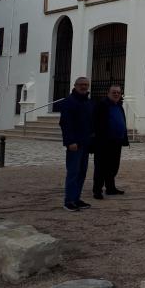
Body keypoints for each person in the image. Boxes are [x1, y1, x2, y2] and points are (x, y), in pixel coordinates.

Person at [59, 77, 94, 211]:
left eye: (86, 84)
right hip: (74, 144)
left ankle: (76, 198)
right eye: (81, 84)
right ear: (75, 85)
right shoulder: (69, 102)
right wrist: (70, 141)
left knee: (82, 172)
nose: (84, 87)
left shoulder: (88, 102)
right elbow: (65, 123)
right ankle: (69, 201)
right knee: (73, 172)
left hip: (85, 143)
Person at [92, 84, 129, 199]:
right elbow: (96, 123)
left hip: (117, 141)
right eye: (114, 92)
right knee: (101, 166)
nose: (116, 94)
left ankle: (110, 188)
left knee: (113, 166)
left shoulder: (119, 106)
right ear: (108, 93)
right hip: (104, 141)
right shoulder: (102, 105)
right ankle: (97, 190)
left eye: (118, 92)